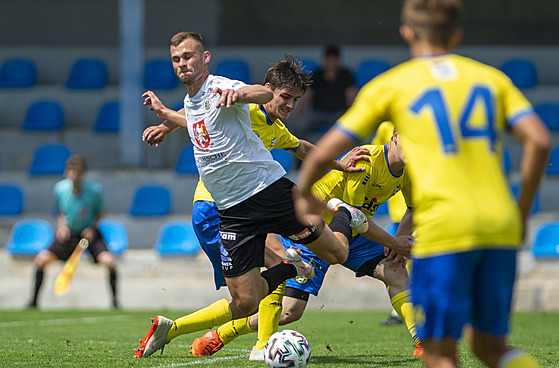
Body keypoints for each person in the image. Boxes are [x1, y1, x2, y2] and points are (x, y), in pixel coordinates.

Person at [295, 1, 551, 367]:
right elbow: (540, 141)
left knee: (440, 353)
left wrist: (303, 197)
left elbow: (323, 154)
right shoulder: (491, 79)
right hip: (500, 223)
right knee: (490, 347)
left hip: (447, 229)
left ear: (407, 33)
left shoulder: (393, 84)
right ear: (457, 34)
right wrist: (522, 211)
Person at [134, 31, 368, 358]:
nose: (183, 63)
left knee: (337, 254)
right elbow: (201, 121)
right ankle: (291, 271)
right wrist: (168, 121)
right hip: (230, 210)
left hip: (269, 193)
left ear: (205, 58)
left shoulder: (224, 87)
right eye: (177, 59)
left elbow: (259, 95)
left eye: (189, 56)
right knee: (245, 301)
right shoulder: (192, 102)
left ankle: (345, 214)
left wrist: (241, 95)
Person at [191, 129, 425, 358]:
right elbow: (351, 216)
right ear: (394, 136)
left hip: (349, 231)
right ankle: (222, 334)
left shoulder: (410, 171)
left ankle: (422, 342)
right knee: (289, 312)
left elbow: (413, 209)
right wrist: (394, 242)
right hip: (313, 231)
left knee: (395, 269)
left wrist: (397, 247)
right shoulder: (368, 160)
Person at [26, 155, 118, 309]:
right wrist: (62, 226)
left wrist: (92, 228)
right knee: (41, 260)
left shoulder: (94, 190)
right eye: (70, 171)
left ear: (83, 173)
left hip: (89, 234)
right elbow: (59, 210)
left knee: (110, 262)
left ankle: (115, 302)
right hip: (69, 234)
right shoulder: (60, 188)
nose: (73, 174)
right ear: (66, 172)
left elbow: (101, 211)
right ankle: (33, 302)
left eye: (77, 171)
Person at [296, 44, 357, 143]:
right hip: (318, 113)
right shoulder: (316, 75)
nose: (331, 63)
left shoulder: (346, 75)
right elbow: (308, 96)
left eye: (334, 60)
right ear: (324, 60)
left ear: (338, 60)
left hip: (338, 113)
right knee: (301, 126)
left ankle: (342, 155)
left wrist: (351, 114)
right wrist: (301, 113)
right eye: (329, 60)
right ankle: (300, 156)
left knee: (349, 131)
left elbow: (351, 95)